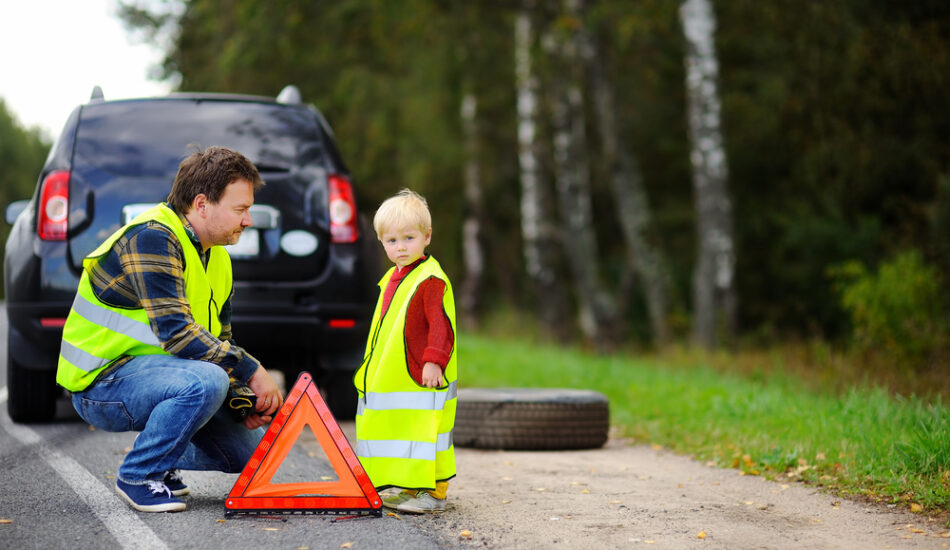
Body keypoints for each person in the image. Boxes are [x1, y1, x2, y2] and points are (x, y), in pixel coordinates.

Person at [56, 146, 284, 513]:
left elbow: (218, 340)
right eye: (241, 209)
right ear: (202, 204)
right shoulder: (153, 236)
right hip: (100, 383)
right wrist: (252, 371)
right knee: (206, 382)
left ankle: (163, 458)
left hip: (163, 376)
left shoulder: (218, 257)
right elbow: (178, 334)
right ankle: (139, 475)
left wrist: (241, 398)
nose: (248, 221)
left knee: (258, 453)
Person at [354, 188, 458, 514]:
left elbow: (440, 323)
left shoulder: (430, 280)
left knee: (428, 434)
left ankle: (435, 494)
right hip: (396, 378)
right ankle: (413, 490)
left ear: (427, 237)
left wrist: (434, 361)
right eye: (392, 241)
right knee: (408, 435)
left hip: (422, 376)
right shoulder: (393, 278)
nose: (400, 247)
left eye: (409, 238)